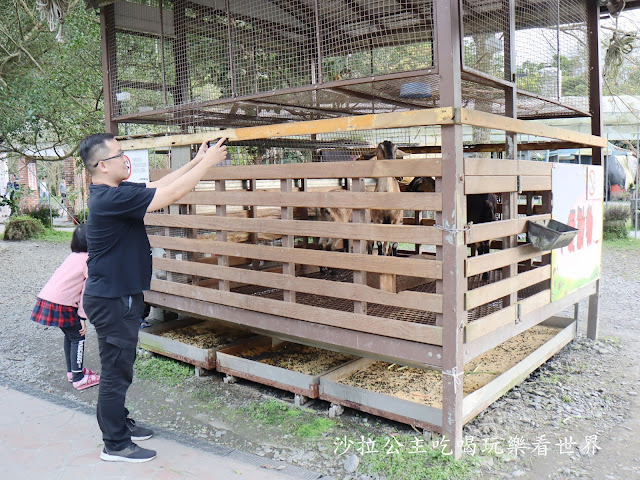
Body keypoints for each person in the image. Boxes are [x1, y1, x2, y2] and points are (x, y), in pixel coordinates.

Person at [79, 133, 228, 463]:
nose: (124, 159)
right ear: (103, 165)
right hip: (111, 299)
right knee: (117, 372)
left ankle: (120, 424)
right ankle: (115, 444)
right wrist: (207, 163)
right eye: (119, 155)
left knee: (122, 367)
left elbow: (161, 186)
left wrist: (196, 159)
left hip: (120, 296)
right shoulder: (108, 199)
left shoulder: (116, 191)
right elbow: (171, 194)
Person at [30, 224, 100, 390]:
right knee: (78, 336)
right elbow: (86, 291)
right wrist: (83, 316)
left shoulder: (73, 256)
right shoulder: (89, 260)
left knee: (70, 335)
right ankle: (78, 378)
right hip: (62, 304)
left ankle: (73, 371)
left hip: (48, 299)